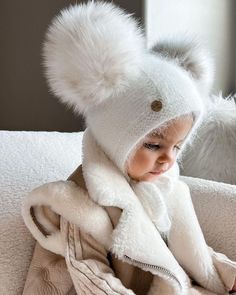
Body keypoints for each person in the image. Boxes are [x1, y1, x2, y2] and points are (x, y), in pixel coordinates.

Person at [22, 1, 236, 294]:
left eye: (177, 147)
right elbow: (89, 270)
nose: (167, 159)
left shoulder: (164, 188)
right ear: (116, 138)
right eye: (153, 145)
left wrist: (225, 270)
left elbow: (191, 248)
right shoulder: (81, 201)